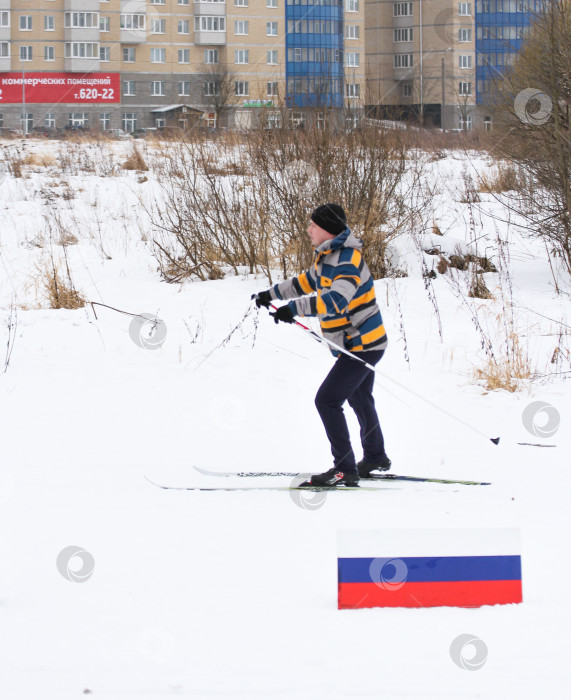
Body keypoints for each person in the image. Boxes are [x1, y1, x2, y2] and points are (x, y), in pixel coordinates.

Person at [254, 203, 391, 487]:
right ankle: (375, 455)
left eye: (313, 226)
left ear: (327, 229)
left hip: (362, 344)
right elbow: (306, 282)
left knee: (327, 401)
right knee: (359, 397)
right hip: (361, 342)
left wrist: (294, 309)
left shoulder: (346, 261)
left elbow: (335, 301)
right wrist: (272, 294)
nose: (308, 230)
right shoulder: (329, 256)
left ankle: (344, 468)